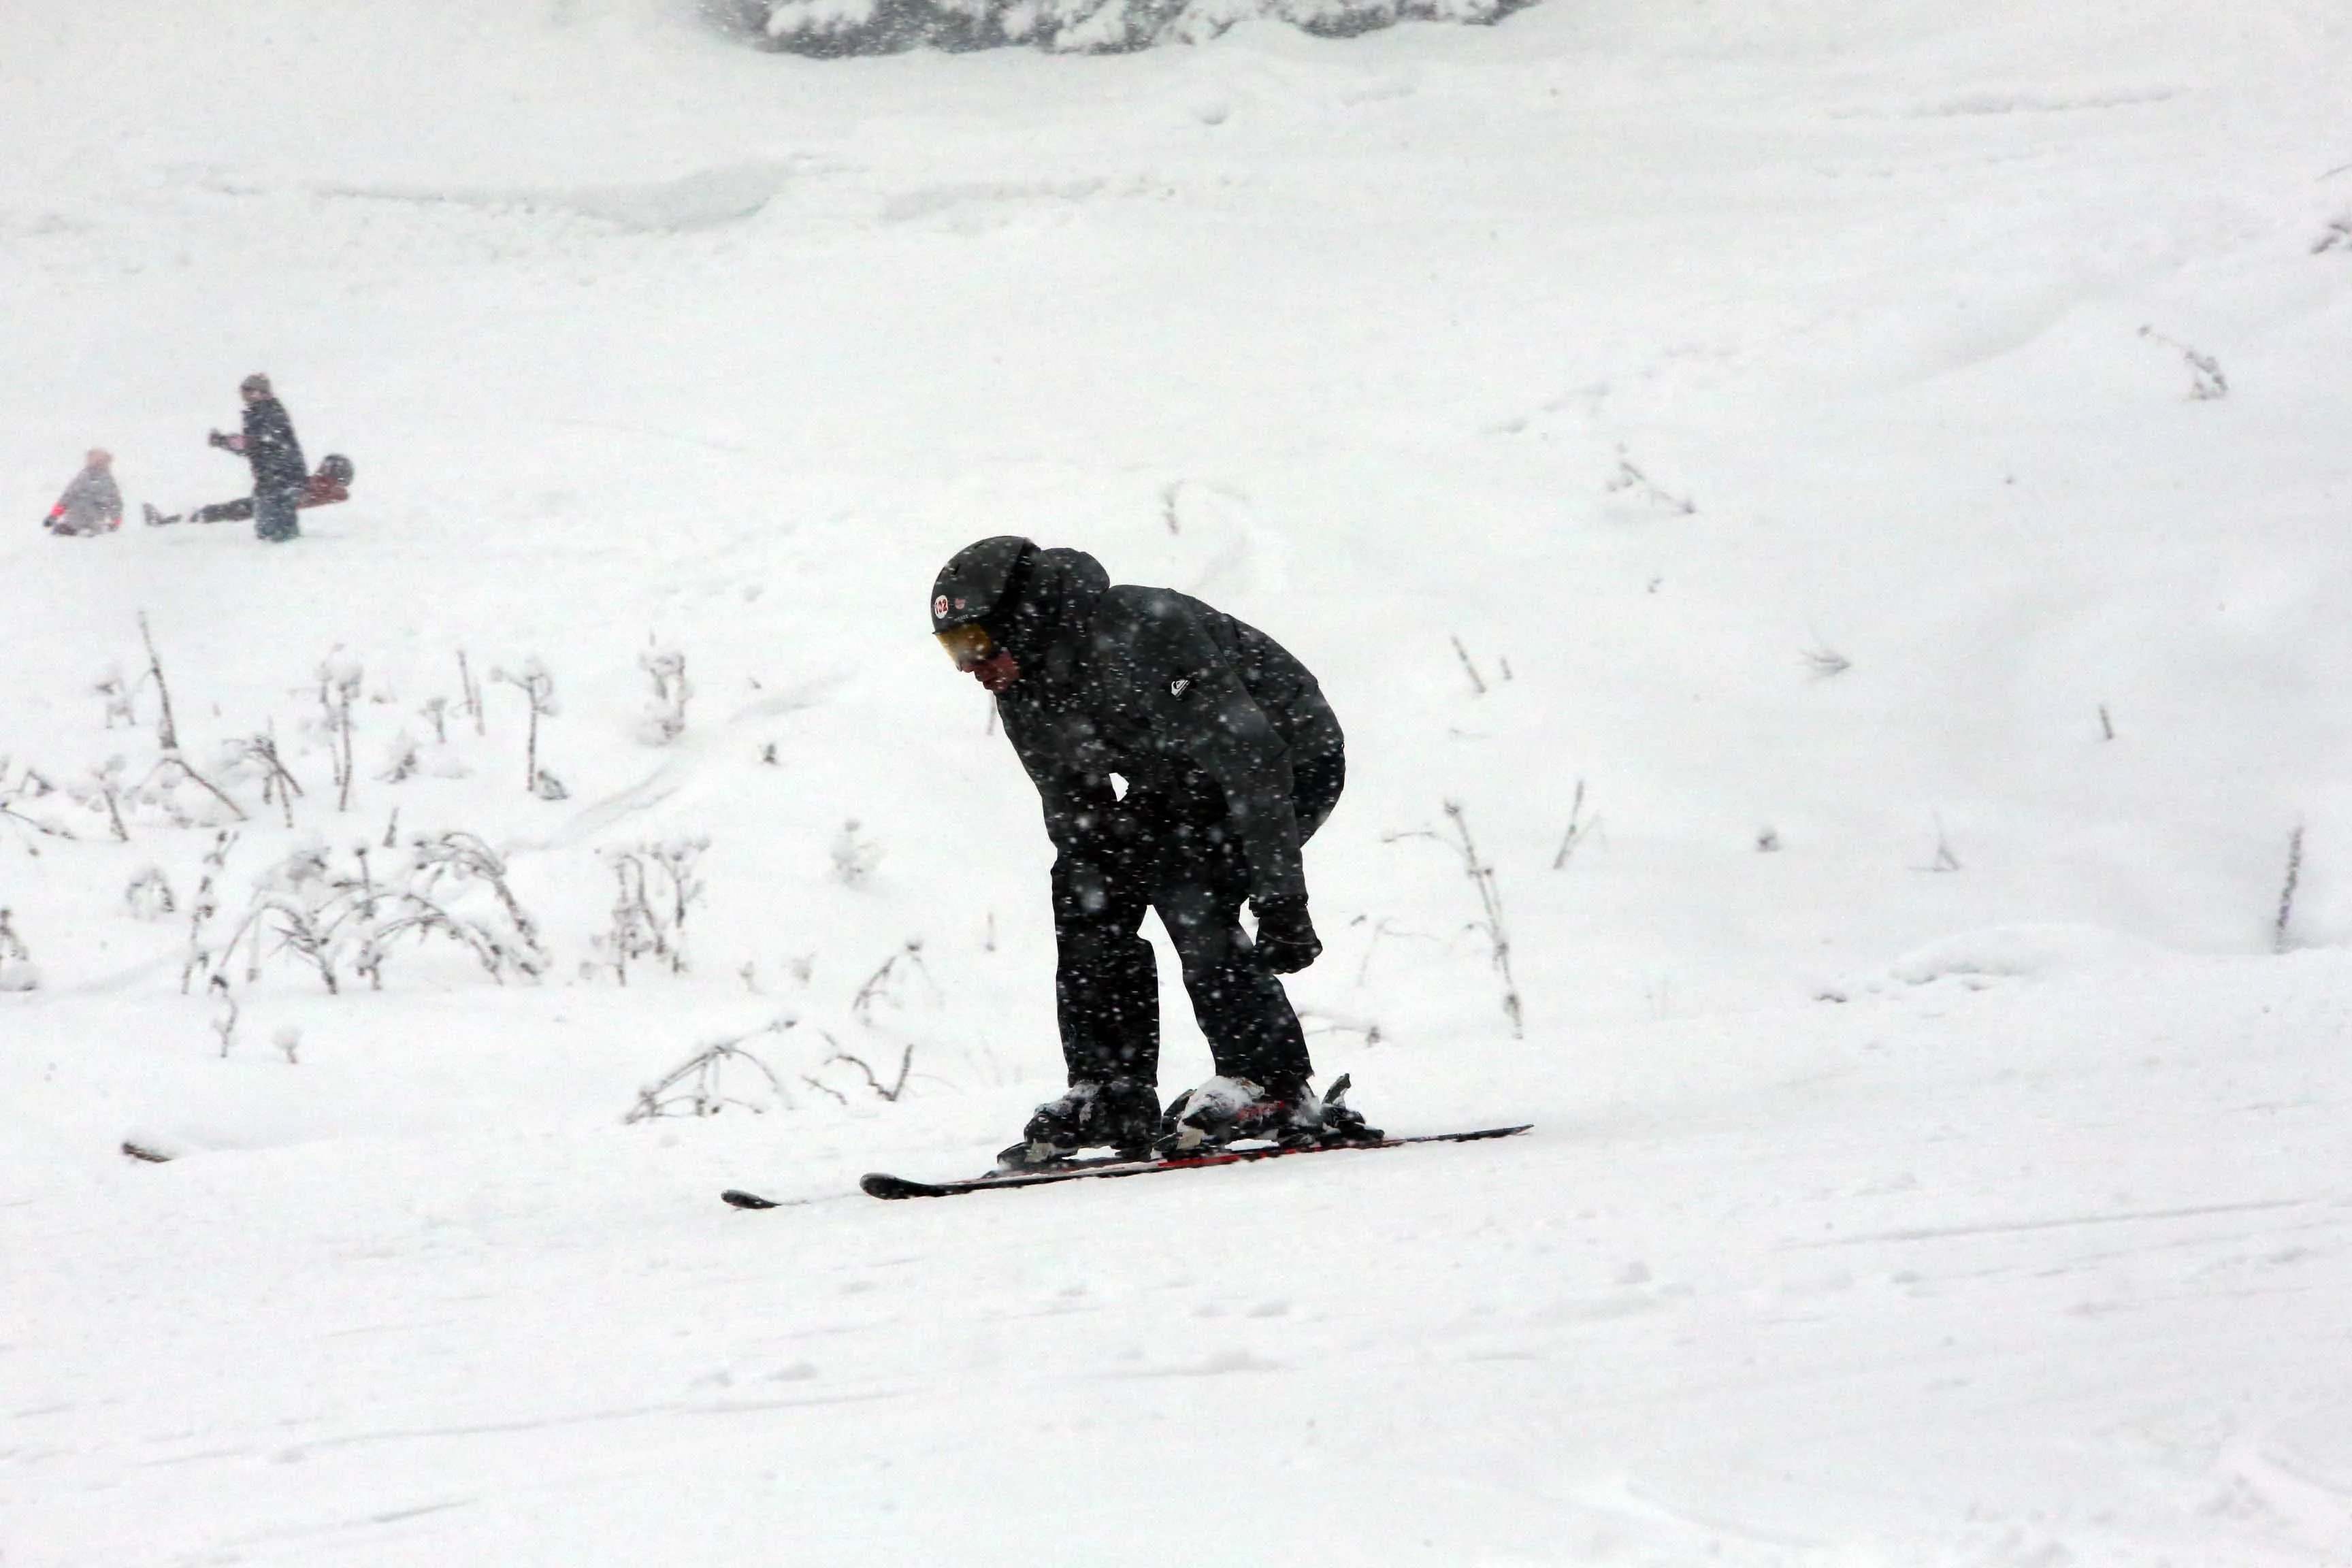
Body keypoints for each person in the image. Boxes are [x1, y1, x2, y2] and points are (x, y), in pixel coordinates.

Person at [930, 536, 1377, 1168]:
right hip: (1177, 780)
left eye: (976, 643)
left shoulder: (1144, 630)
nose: (969, 667)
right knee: (1085, 890)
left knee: (1187, 880)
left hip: (1285, 761)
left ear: (1024, 619)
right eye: (953, 650)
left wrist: (1282, 899)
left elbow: (1252, 762)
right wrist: (1097, 890)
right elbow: (1075, 815)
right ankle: (1112, 1089)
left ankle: (1269, 1084)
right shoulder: (1021, 686)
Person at [202, 373, 307, 542]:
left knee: (273, 535)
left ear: (260, 392)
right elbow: (255, 445)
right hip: (279, 479)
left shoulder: (267, 412)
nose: (244, 396)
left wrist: (223, 441)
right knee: (282, 533)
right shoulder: (264, 411)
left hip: (278, 480)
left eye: (247, 391)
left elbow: (254, 443)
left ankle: (282, 554)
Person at [144, 453, 353, 529]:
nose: (320, 472)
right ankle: (172, 522)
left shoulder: (333, 494)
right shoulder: (321, 487)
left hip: (269, 510)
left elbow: (301, 498)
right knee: (217, 511)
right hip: (267, 505)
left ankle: (171, 523)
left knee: (218, 513)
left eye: (326, 471)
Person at [44, 449, 123, 536]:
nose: (98, 463)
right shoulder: (84, 477)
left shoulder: (108, 481)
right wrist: (54, 515)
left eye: (101, 461)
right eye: (96, 460)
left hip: (90, 522)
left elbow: (115, 502)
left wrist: (116, 520)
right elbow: (67, 497)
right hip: (78, 520)